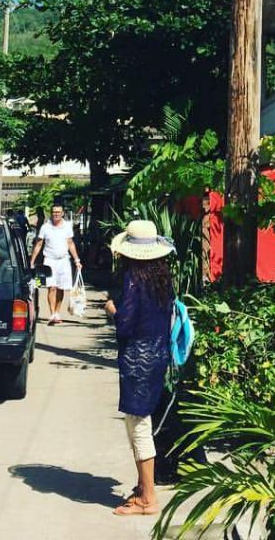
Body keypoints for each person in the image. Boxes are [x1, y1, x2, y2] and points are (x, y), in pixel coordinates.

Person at [103, 219, 175, 517]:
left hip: (137, 360)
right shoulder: (163, 279)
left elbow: (126, 324)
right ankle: (143, 488)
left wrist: (111, 310)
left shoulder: (133, 280)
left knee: (138, 426)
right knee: (141, 423)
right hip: (158, 355)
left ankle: (148, 498)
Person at [29, 203, 82, 325]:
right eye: (54, 212)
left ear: (62, 213)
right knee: (51, 287)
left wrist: (77, 260)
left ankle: (57, 312)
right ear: (51, 213)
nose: (56, 214)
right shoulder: (45, 227)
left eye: (58, 212)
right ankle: (52, 313)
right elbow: (38, 244)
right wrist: (32, 261)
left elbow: (70, 243)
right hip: (49, 260)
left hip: (64, 260)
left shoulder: (67, 226)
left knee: (61, 288)